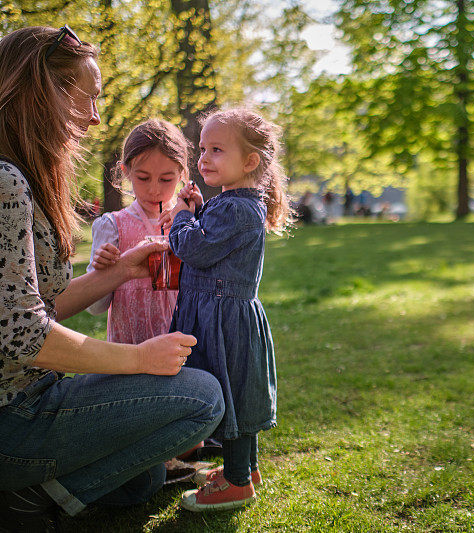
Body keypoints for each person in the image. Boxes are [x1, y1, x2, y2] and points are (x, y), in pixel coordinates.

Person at [0, 26, 224, 530]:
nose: (96, 117)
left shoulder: (21, 173)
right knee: (203, 397)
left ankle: (44, 489)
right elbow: (22, 336)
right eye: (89, 98)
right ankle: (30, 500)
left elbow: (36, 307)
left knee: (142, 482)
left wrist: (123, 269)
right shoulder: (6, 181)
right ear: (47, 91)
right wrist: (139, 358)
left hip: (30, 398)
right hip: (14, 416)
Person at [158, 108, 289, 511]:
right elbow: (212, 242)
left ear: (250, 162)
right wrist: (197, 211)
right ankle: (243, 469)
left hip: (221, 317)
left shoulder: (236, 207)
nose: (204, 159)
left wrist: (180, 218)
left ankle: (236, 482)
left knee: (230, 393)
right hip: (218, 311)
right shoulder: (234, 203)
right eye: (202, 149)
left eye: (217, 150)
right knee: (234, 390)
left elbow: (195, 248)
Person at [86, 119, 187, 343]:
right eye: (143, 178)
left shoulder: (188, 225)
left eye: (166, 179)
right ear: (126, 172)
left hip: (182, 346)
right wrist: (100, 269)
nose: (154, 189)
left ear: (181, 174)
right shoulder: (112, 226)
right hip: (130, 351)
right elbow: (96, 308)